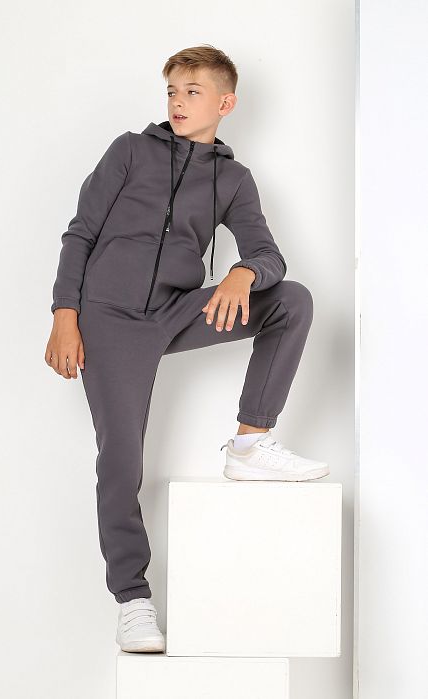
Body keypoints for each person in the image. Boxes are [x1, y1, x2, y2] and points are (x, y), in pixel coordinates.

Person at [45, 45, 329, 653]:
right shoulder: (129, 150)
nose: (178, 102)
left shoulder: (233, 179)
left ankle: (250, 444)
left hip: (174, 312)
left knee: (292, 300)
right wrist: (65, 315)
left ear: (225, 103)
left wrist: (242, 273)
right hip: (108, 317)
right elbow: (80, 233)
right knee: (122, 462)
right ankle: (132, 601)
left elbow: (268, 253)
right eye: (172, 91)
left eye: (192, 92)